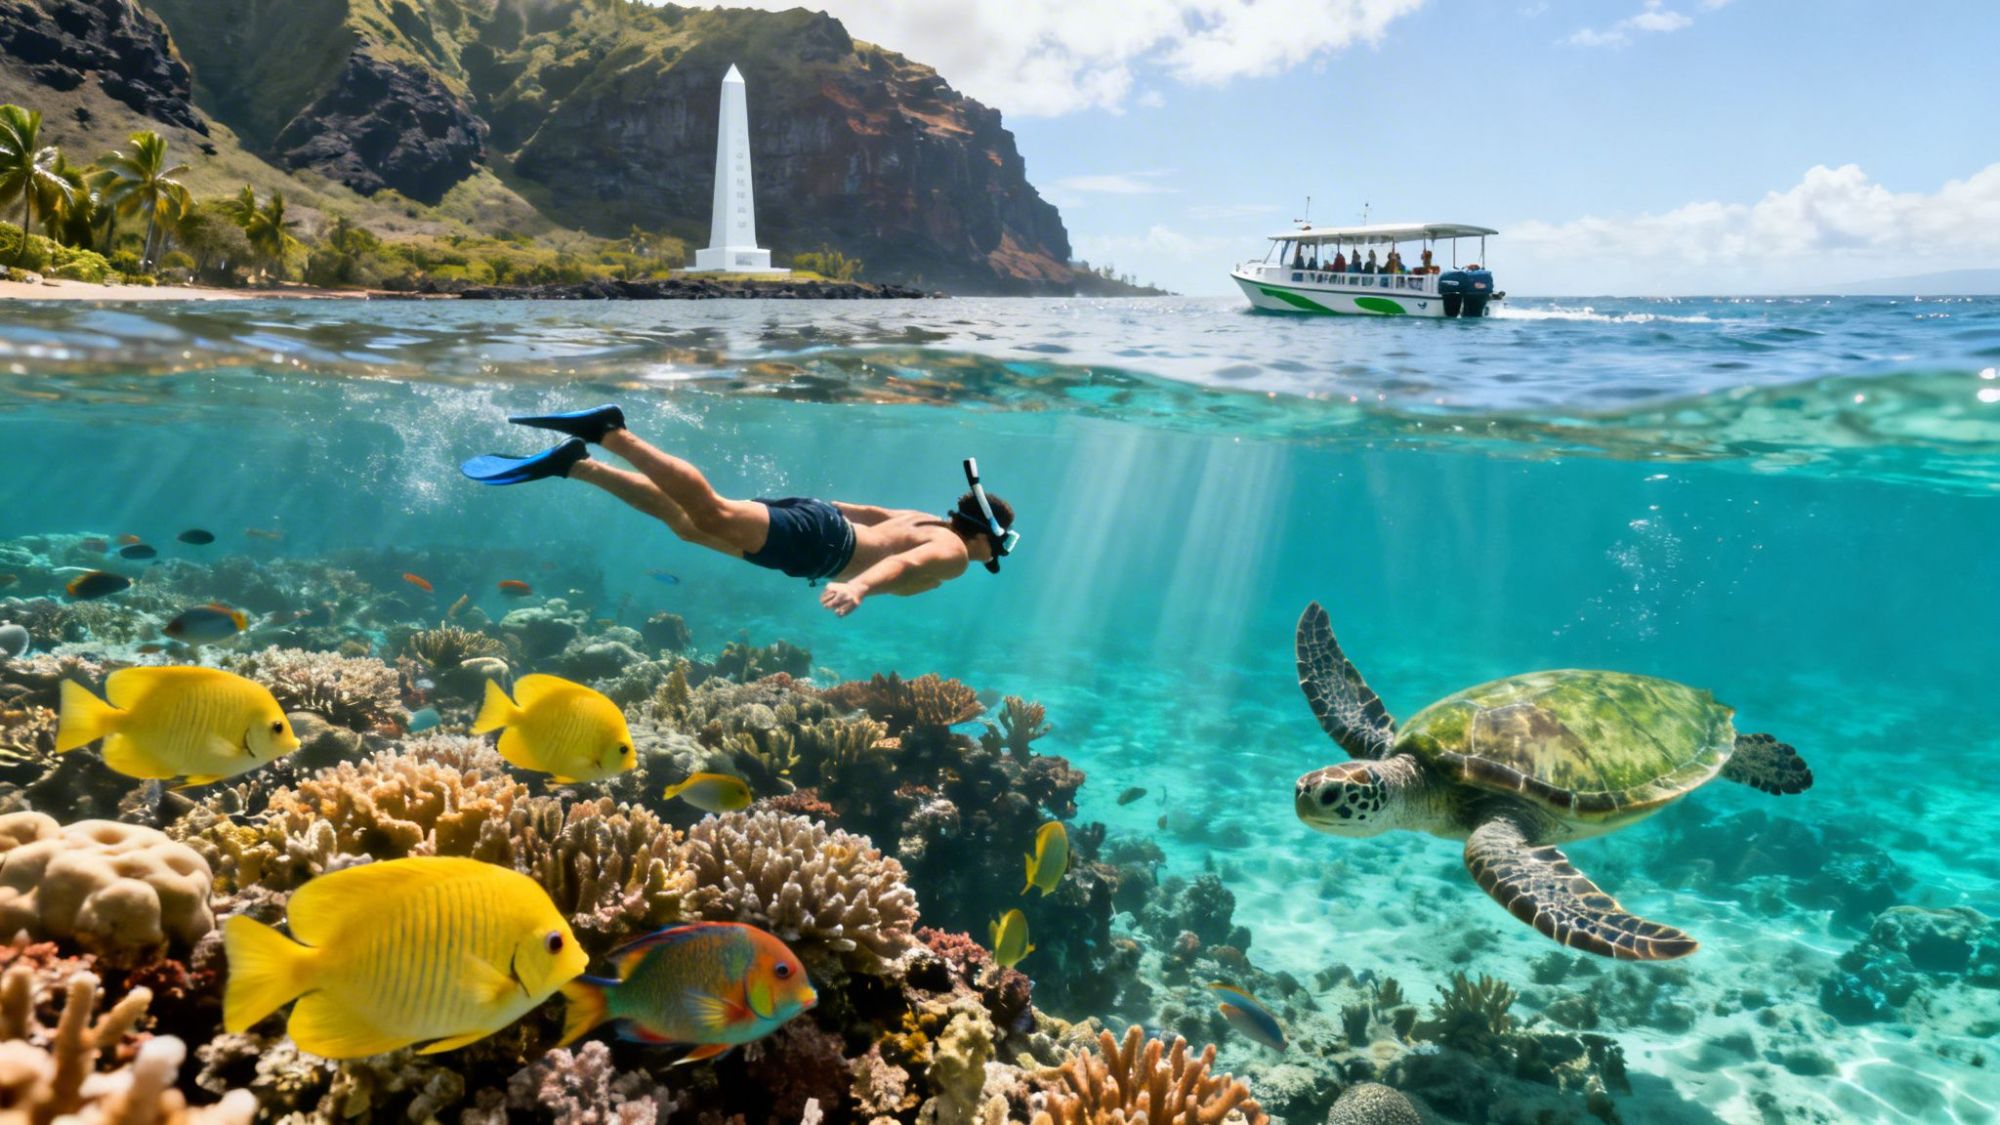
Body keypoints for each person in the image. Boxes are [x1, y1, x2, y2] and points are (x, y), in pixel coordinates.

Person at [458, 406, 1020, 618]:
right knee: (713, 514)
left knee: (689, 527)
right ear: (987, 537)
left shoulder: (927, 519)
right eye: (1004, 545)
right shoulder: (952, 552)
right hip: (823, 546)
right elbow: (896, 568)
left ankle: (576, 465)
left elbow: (864, 509)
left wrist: (799, 506)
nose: (999, 556)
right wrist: (861, 590)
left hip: (819, 532)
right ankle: (610, 433)